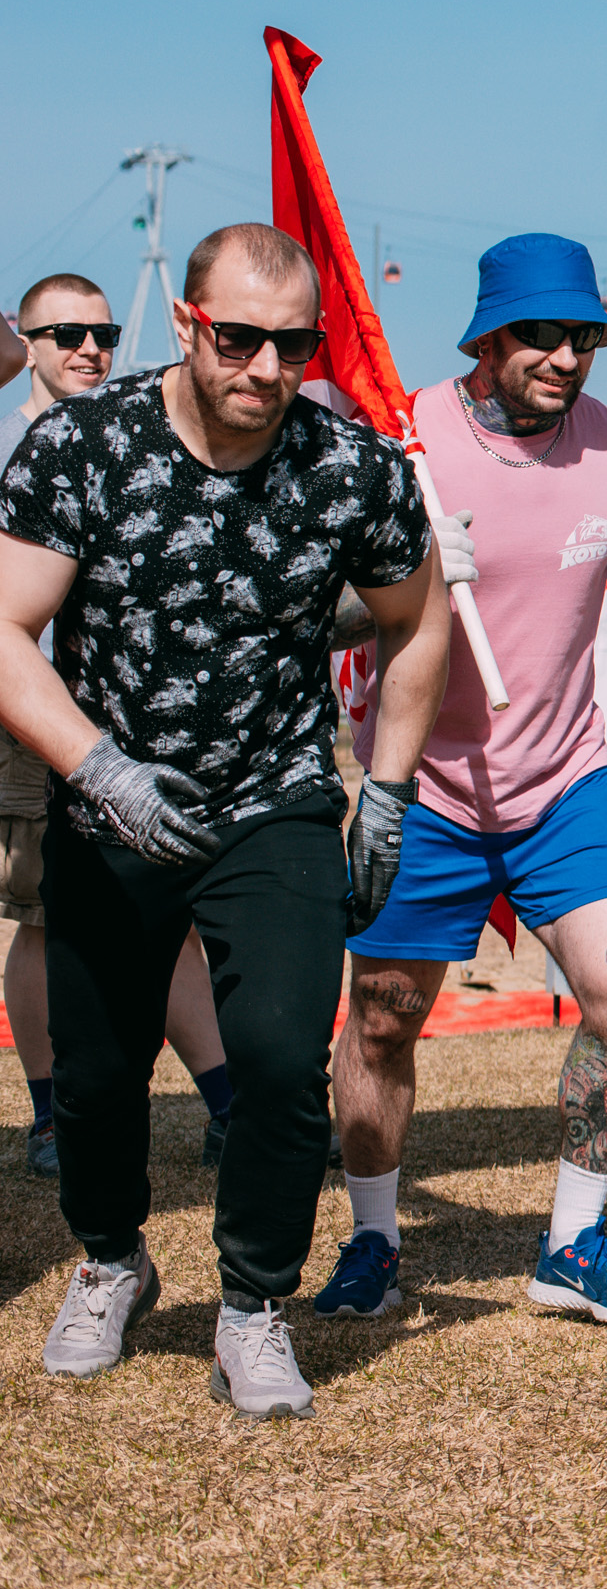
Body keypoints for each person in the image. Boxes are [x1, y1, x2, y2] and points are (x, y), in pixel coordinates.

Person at [2, 224, 447, 1420]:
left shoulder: (348, 465)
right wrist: (100, 771)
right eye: (239, 338)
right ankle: (112, 1259)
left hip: (275, 801)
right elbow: (5, 628)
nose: (265, 367)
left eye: (293, 345)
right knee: (96, 1076)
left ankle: (253, 1303)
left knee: (282, 1063)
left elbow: (419, 619)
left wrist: (388, 790)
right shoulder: (83, 444)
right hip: (110, 798)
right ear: (189, 324)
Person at [317, 239, 607, 1327]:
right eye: (541, 334)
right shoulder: (403, 440)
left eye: (586, 336)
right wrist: (397, 581)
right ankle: (375, 1239)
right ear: (486, 339)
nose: (566, 357)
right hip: (421, 787)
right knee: (382, 1023)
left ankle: (573, 1244)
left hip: (564, 784)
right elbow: (313, 611)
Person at [0, 277, 226, 1181]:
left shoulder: (131, 438)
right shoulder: (13, 440)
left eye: (102, 331)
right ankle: (52, 1116)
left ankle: (228, 1102)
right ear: (25, 340)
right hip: (31, 714)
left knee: (168, 910)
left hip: (132, 717)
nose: (89, 348)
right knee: (46, 918)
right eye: (64, 333)